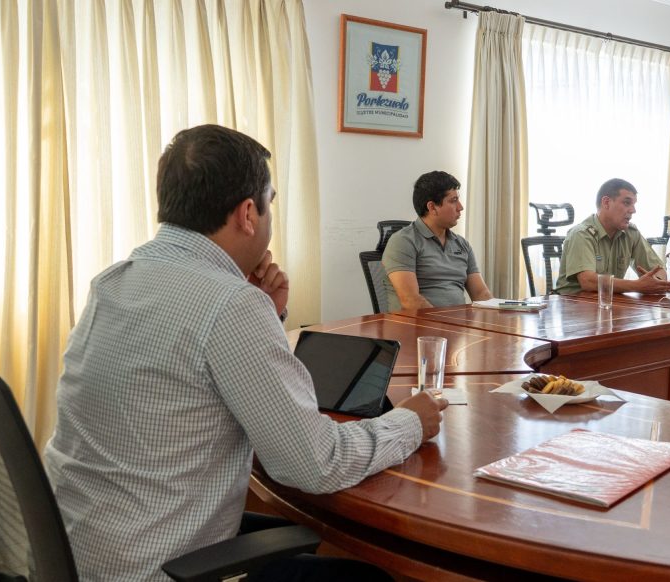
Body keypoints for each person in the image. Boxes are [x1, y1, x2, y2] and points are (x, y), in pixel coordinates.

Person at [44, 125, 447, 581]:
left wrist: (265, 314)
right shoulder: (229, 304)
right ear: (249, 213)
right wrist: (411, 421)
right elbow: (316, 464)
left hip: (80, 551)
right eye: (271, 202)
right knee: (368, 576)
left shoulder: (113, 281)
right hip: (160, 567)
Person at [382, 171, 493, 311]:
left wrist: (498, 316)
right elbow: (411, 301)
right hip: (419, 323)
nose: (460, 207)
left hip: (456, 322)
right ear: (432, 207)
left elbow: (481, 294)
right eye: (453, 201)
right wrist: (446, 321)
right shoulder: (403, 242)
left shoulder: (462, 244)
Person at [554, 178, 670, 295]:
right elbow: (588, 281)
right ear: (606, 202)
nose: (633, 210)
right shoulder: (581, 234)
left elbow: (658, 270)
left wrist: (656, 281)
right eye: (627, 203)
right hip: (573, 303)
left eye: (634, 204)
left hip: (610, 302)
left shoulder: (630, 233)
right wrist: (637, 286)